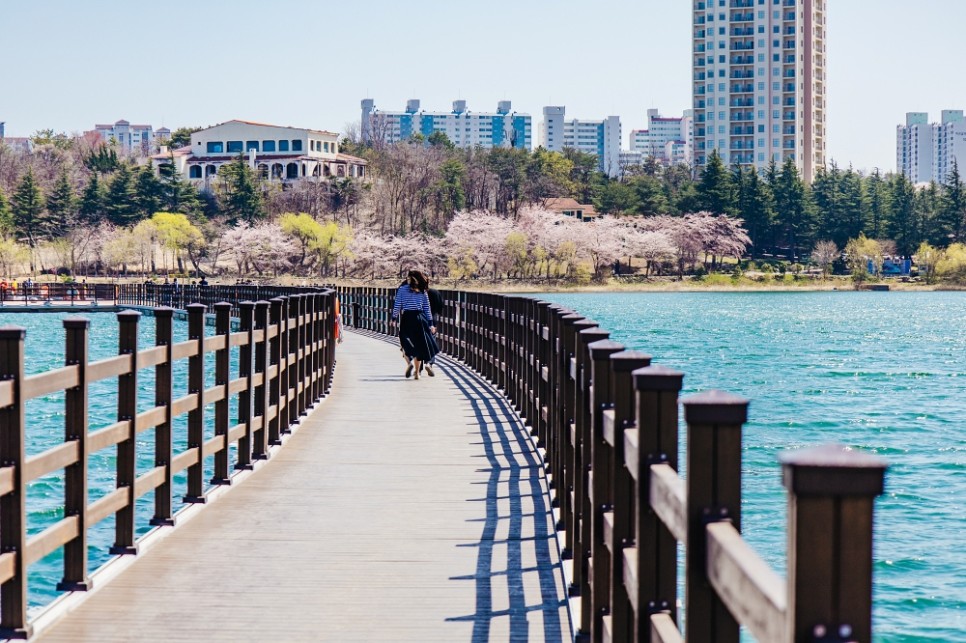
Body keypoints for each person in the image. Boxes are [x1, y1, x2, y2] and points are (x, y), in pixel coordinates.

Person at [391, 270, 438, 380]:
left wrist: (393, 318)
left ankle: (409, 363)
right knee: (419, 345)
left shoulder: (402, 290)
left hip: (407, 318)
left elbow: (397, 304)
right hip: (420, 319)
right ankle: (417, 373)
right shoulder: (423, 291)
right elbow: (427, 309)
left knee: (404, 342)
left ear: (409, 278)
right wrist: (430, 323)